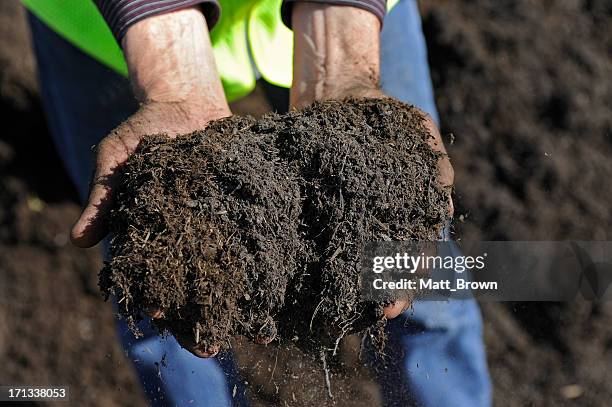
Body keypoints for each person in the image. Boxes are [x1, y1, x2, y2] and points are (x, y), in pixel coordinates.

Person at [26, 0, 491, 405]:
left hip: (357, 19)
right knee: (165, 291)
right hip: (110, 30)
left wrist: (343, 43)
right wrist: (170, 76)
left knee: (413, 270)